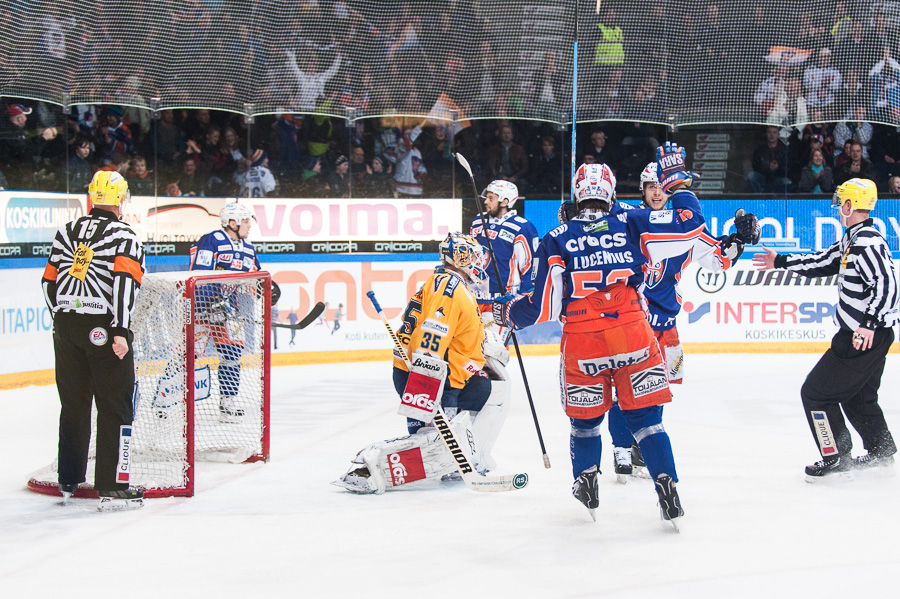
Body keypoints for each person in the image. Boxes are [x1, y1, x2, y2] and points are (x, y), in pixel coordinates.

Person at [492, 145, 754, 524]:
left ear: (577, 196)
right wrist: (680, 181)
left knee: (584, 421)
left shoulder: (556, 237)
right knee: (648, 419)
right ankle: (666, 482)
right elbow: (688, 227)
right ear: (617, 194)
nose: (655, 191)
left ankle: (586, 481)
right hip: (635, 331)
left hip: (584, 341)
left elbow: (544, 307)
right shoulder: (633, 223)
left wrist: (507, 310)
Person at [607, 163, 753, 480]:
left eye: (663, 187)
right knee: (622, 388)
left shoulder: (684, 228)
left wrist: (738, 241)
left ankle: (640, 445)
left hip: (666, 327)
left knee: (659, 389)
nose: (657, 192)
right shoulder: (628, 219)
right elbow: (601, 212)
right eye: (650, 186)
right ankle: (620, 448)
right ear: (643, 191)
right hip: (631, 323)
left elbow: (718, 259)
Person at [334, 233, 511, 493]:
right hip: (432, 377)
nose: (478, 263)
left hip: (442, 376)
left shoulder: (451, 284)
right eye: (473, 256)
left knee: (490, 392)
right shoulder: (449, 288)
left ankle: (464, 459)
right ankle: (369, 466)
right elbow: (431, 336)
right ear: (460, 257)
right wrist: (427, 389)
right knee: (429, 443)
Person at [752, 179, 898, 479]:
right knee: (859, 397)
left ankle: (835, 455)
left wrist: (868, 324)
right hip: (865, 335)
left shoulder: (867, 241)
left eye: (840, 201)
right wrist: (781, 260)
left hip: (861, 337)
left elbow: (888, 285)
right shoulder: (853, 239)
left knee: (816, 394)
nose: (836, 207)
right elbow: (824, 261)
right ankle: (881, 450)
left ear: (849, 205)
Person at [40, 170, 145, 511]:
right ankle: (112, 486)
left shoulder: (66, 231)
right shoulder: (124, 234)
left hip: (66, 327)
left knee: (73, 404)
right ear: (119, 200)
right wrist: (120, 331)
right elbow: (124, 284)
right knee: (115, 405)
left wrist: (64, 319)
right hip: (103, 327)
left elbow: (48, 283)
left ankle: (69, 479)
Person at [188, 202, 261, 422]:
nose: (250, 225)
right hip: (201, 309)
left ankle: (228, 404)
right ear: (232, 223)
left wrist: (268, 288)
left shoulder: (248, 247)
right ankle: (165, 398)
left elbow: (256, 275)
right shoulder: (212, 240)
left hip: (230, 311)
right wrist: (210, 302)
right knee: (188, 356)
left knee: (232, 355)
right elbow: (200, 274)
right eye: (246, 220)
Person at [468, 180, 539, 334]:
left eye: (491, 198)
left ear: (505, 201)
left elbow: (530, 266)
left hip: (501, 302)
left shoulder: (522, 227)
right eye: (487, 197)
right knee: (469, 348)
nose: (485, 201)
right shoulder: (477, 221)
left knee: (494, 352)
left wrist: (522, 299)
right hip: (473, 298)